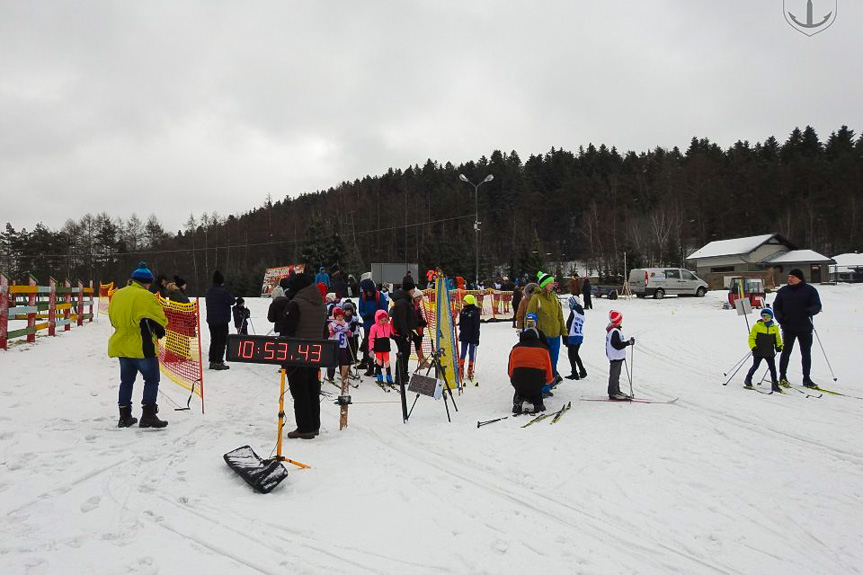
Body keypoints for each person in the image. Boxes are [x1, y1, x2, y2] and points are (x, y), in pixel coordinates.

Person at [108, 262, 169, 428]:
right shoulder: (146, 296)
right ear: (147, 282)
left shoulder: (118, 294)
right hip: (142, 346)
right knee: (152, 379)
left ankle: (124, 416)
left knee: (126, 381)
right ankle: (148, 415)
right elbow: (162, 320)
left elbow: (112, 319)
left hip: (121, 344)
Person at [281, 271, 327, 439]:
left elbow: (287, 332)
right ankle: (314, 425)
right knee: (313, 389)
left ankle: (305, 427)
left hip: (297, 353)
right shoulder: (321, 304)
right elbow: (325, 332)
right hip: (315, 354)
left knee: (300, 391)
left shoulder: (296, 304)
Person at [774, 269, 822, 388]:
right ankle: (783, 376)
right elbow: (776, 307)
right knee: (786, 352)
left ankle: (806, 378)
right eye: (789, 277)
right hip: (788, 327)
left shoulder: (810, 290)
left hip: (805, 327)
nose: (790, 279)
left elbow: (817, 305)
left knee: (806, 354)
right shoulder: (783, 291)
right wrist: (780, 318)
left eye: (793, 277)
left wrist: (809, 310)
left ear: (800, 278)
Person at [526, 271, 567, 385]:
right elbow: (530, 317)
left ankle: (550, 383)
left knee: (553, 361)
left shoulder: (554, 298)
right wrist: (531, 334)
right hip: (542, 336)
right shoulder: (536, 298)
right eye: (550, 283)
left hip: (555, 335)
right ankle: (542, 386)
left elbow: (560, 317)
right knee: (543, 362)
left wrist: (564, 333)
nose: (553, 285)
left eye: (553, 283)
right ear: (544, 285)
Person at [508, 324, 553, 414]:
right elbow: (549, 371)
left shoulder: (515, 348)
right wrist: (547, 381)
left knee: (520, 387)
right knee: (535, 389)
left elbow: (510, 370)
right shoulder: (543, 349)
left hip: (518, 382)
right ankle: (538, 404)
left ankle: (518, 401)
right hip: (537, 383)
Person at [744, 307, 783, 392]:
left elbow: (777, 338)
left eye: (767, 316)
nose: (765, 318)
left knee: (772, 368)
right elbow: (751, 338)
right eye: (763, 315)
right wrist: (753, 346)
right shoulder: (757, 326)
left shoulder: (774, 328)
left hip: (769, 351)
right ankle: (748, 379)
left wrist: (779, 346)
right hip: (759, 351)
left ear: (771, 317)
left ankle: (775, 385)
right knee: (755, 366)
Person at [389, 275, 418, 388]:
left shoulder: (406, 300)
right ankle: (399, 376)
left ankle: (404, 374)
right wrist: (405, 333)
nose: (414, 291)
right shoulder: (402, 302)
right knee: (403, 354)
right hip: (401, 333)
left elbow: (408, 317)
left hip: (406, 332)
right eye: (412, 289)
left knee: (406, 354)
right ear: (408, 289)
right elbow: (401, 320)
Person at [205, 270, 235, 370]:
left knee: (214, 340)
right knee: (221, 341)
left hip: (211, 320)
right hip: (222, 320)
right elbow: (232, 301)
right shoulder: (223, 292)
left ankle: (212, 360)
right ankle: (218, 361)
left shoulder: (209, 291)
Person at [358, 278, 389, 374]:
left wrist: (378, 317)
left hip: (378, 325)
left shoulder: (379, 296)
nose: (368, 293)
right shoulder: (363, 297)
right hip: (368, 325)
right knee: (369, 346)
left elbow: (384, 310)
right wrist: (365, 316)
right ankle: (370, 366)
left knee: (380, 345)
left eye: (369, 291)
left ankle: (379, 364)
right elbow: (361, 309)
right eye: (366, 291)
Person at [606, 310, 635, 400]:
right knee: (614, 375)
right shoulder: (614, 331)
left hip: (617, 356)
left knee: (616, 375)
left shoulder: (615, 330)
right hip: (615, 356)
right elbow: (617, 345)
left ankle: (616, 390)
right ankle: (613, 392)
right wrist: (628, 343)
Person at [326, 306, 352, 385]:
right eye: (338, 316)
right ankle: (330, 376)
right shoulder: (332, 324)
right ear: (335, 316)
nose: (340, 318)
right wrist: (333, 331)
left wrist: (347, 332)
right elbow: (329, 334)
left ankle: (344, 375)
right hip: (334, 346)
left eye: (341, 316)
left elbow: (349, 333)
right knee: (333, 361)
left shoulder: (345, 324)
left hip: (343, 346)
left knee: (343, 361)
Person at [458, 294, 481, 382]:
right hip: (464, 335)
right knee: (463, 352)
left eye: (465, 301)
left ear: (469, 301)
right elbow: (461, 323)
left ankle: (470, 369)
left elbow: (476, 326)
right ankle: (461, 368)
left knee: (471, 352)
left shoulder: (475, 312)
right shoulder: (463, 311)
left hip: (472, 336)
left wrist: (476, 338)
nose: (463, 302)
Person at [367, 309, 394, 384]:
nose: (383, 322)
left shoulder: (388, 326)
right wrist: (371, 348)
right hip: (378, 346)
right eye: (381, 320)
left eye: (385, 320)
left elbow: (393, 333)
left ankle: (389, 376)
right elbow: (371, 338)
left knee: (387, 362)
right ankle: (379, 375)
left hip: (386, 346)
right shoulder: (374, 327)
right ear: (377, 319)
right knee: (379, 362)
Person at [565, 295, 587, 380]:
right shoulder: (581, 313)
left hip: (572, 336)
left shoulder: (573, 312)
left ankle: (574, 373)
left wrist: (566, 337)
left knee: (571, 355)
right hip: (579, 336)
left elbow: (568, 324)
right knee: (575, 354)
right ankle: (582, 370)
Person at [410, 289, 429, 369]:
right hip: (414, 328)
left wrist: (423, 322)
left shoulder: (417, 305)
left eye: (421, 297)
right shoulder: (412, 306)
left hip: (419, 328)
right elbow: (413, 317)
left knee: (419, 344)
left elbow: (419, 316)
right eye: (418, 297)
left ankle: (422, 360)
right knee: (418, 344)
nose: (420, 299)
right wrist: (420, 322)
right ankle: (422, 361)